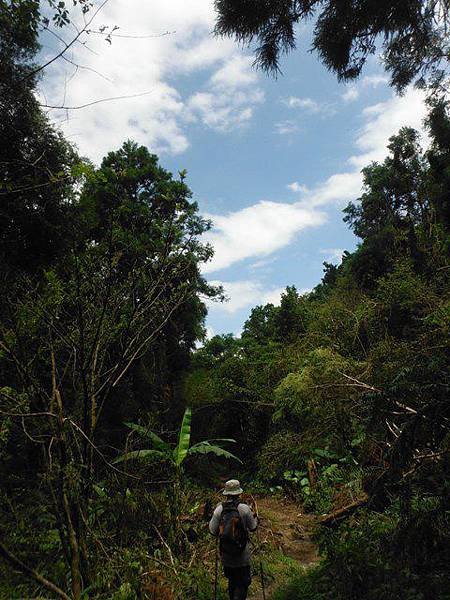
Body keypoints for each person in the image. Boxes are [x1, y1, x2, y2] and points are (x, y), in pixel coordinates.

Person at [209, 479, 258, 600]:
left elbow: (212, 531)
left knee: (232, 582)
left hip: (227, 555)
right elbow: (253, 527)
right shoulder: (245, 508)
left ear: (226, 493)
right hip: (243, 555)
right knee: (242, 583)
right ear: (239, 493)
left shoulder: (219, 509)